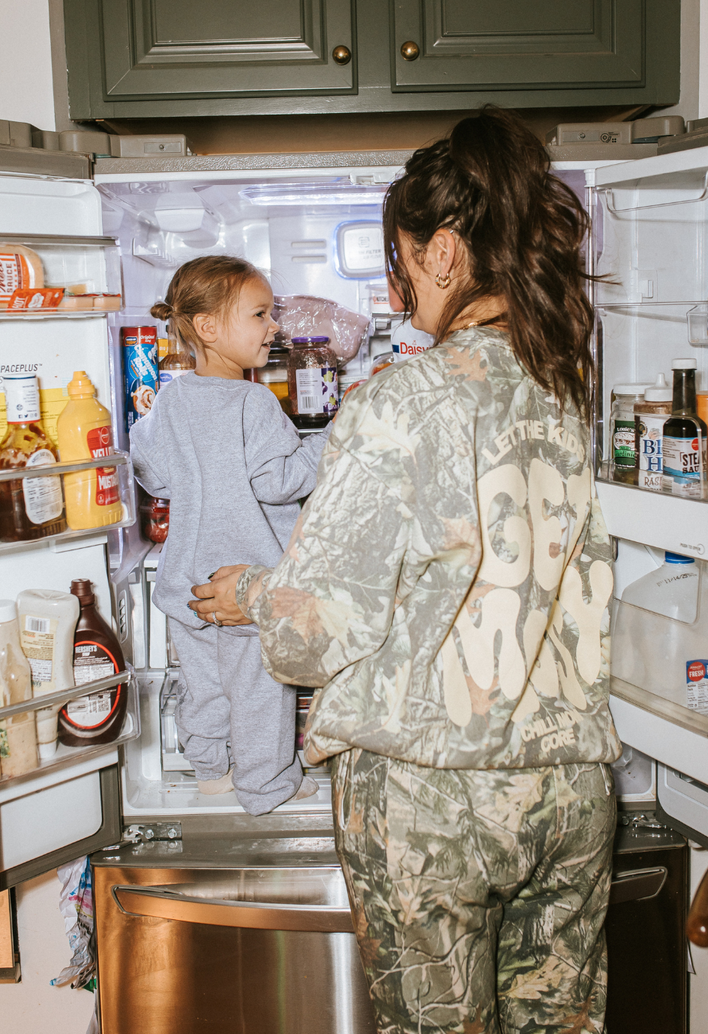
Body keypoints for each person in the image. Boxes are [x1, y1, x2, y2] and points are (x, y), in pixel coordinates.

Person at [190, 109, 621, 1033]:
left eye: (402, 258)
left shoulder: (404, 399)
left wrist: (250, 594)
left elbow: (319, 629)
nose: (397, 288)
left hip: (436, 805)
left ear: (444, 253)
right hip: (573, 794)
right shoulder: (562, 385)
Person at [130, 255, 325, 814]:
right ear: (210, 328)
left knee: (205, 685)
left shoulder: (169, 399)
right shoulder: (253, 401)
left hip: (187, 581)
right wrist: (332, 444)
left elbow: (154, 473)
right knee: (263, 689)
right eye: (260, 315)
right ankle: (266, 784)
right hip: (242, 580)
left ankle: (212, 769)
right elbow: (280, 480)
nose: (274, 328)